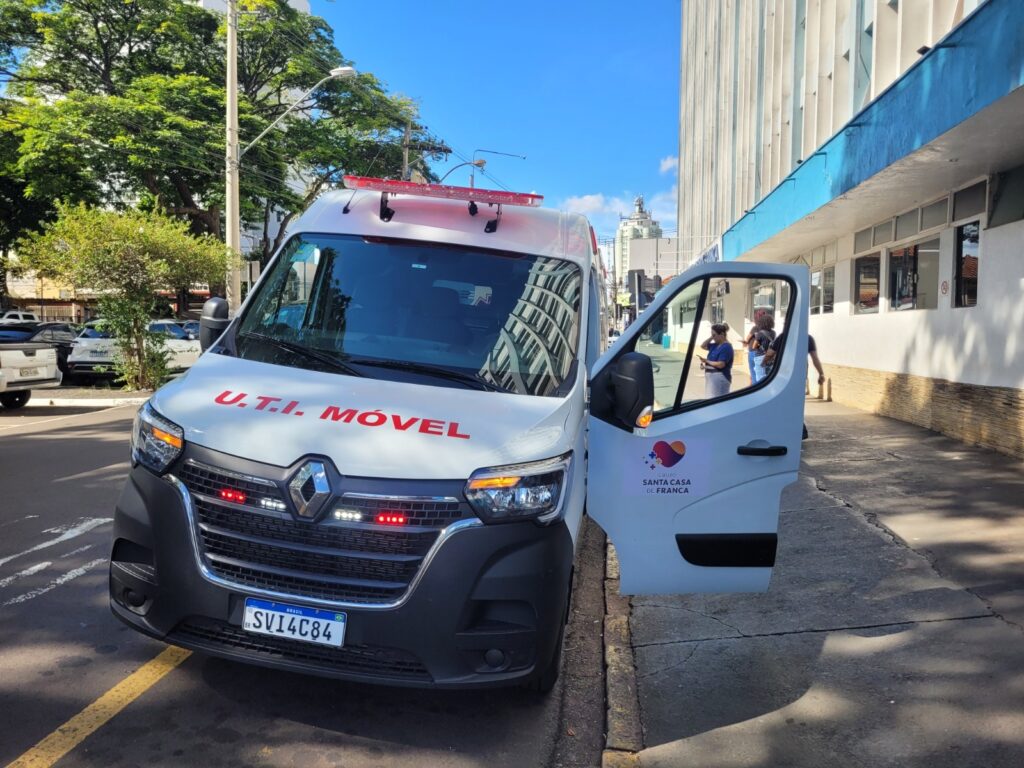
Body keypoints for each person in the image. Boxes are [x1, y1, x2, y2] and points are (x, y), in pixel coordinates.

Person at [698, 323, 734, 398]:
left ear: (722, 334)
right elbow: (703, 346)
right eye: (712, 335)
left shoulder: (726, 347)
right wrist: (711, 337)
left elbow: (721, 364)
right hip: (712, 378)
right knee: (710, 400)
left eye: (714, 335)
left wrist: (706, 361)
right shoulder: (714, 345)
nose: (713, 338)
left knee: (717, 401)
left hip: (719, 378)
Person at [750, 314, 776, 383]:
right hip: (770, 357)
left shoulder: (760, 333)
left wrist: (759, 345)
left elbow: (754, 346)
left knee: (760, 379)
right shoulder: (773, 333)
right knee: (769, 379)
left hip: (760, 357)